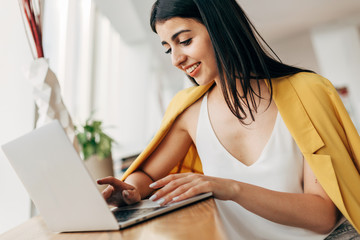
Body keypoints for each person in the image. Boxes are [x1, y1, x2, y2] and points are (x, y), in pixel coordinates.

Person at [97, 0, 360, 239]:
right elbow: (146, 174)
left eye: (185, 41)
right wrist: (129, 190)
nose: (177, 59)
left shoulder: (307, 91)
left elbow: (323, 216)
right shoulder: (189, 110)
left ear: (220, 28)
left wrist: (230, 188)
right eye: (168, 49)